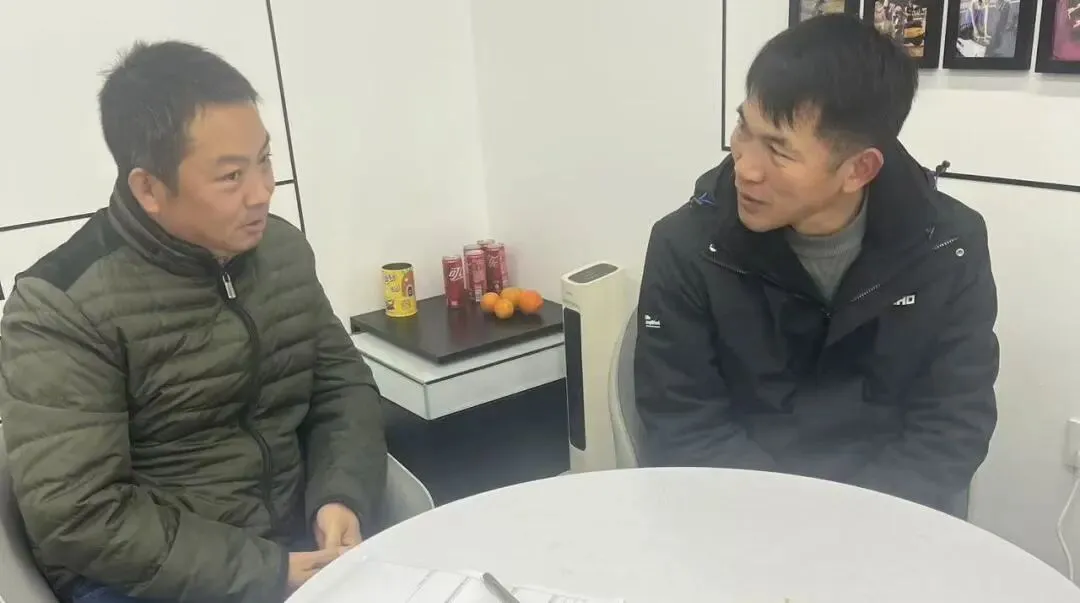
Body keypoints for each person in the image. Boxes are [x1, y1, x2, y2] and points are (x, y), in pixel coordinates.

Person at [0, 41, 387, 602]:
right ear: (149, 189)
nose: (263, 192)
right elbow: (79, 515)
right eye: (231, 177)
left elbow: (340, 388)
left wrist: (340, 496)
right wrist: (267, 571)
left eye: (264, 160)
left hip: (296, 545)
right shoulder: (59, 307)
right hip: (148, 580)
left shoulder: (280, 251)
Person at [634, 15, 998, 517]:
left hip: (889, 520)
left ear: (859, 169)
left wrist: (852, 528)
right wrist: (791, 526)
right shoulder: (688, 246)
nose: (745, 168)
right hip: (738, 515)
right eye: (744, 128)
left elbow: (952, 424)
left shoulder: (947, 246)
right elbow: (684, 424)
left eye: (779, 150)